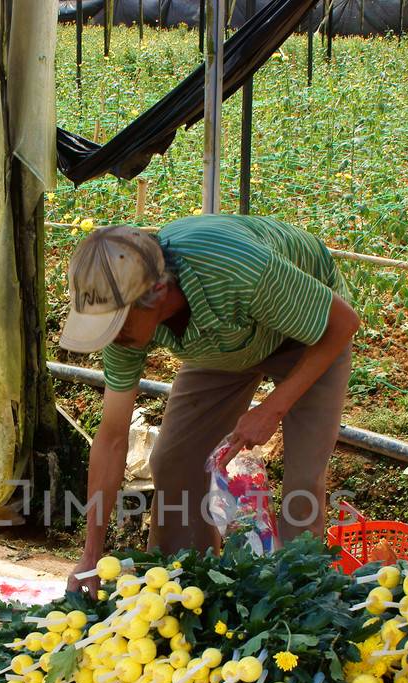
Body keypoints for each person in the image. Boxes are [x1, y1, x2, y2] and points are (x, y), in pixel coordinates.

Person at [60, 216, 360, 590]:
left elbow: (342, 323)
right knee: (175, 462)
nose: (113, 337)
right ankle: (183, 588)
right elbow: (112, 438)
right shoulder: (124, 335)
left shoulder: (234, 268)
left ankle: (298, 598)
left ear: (156, 291)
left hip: (309, 333)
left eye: (118, 324)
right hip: (226, 339)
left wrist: (272, 408)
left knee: (302, 478)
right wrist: (91, 556)